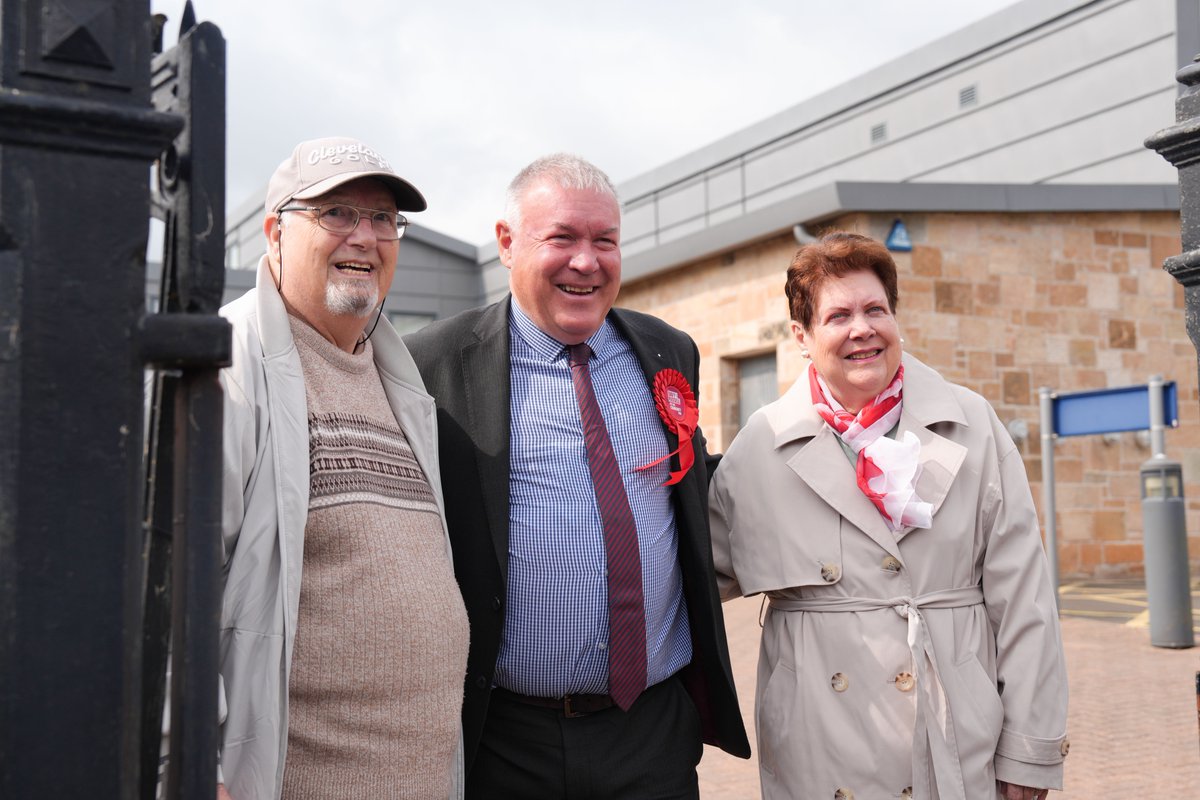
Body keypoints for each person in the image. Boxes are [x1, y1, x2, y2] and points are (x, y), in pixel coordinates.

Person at [405, 153, 750, 799]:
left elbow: (697, 485)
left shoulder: (666, 350)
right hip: (503, 742)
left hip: (650, 733)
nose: (586, 262)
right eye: (562, 237)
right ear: (507, 244)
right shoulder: (433, 366)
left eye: (605, 241)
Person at [709, 232, 1069, 800]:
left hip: (954, 738)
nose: (863, 329)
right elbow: (689, 580)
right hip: (818, 745)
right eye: (839, 315)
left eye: (876, 309)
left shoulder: (971, 424)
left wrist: (1030, 749)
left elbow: (1024, 598)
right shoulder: (760, 446)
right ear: (802, 336)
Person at [214, 137, 468, 800]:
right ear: (274, 233)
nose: (365, 236)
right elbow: (162, 600)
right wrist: (195, 773)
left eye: (383, 219)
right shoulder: (229, 368)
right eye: (337, 214)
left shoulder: (398, 379)